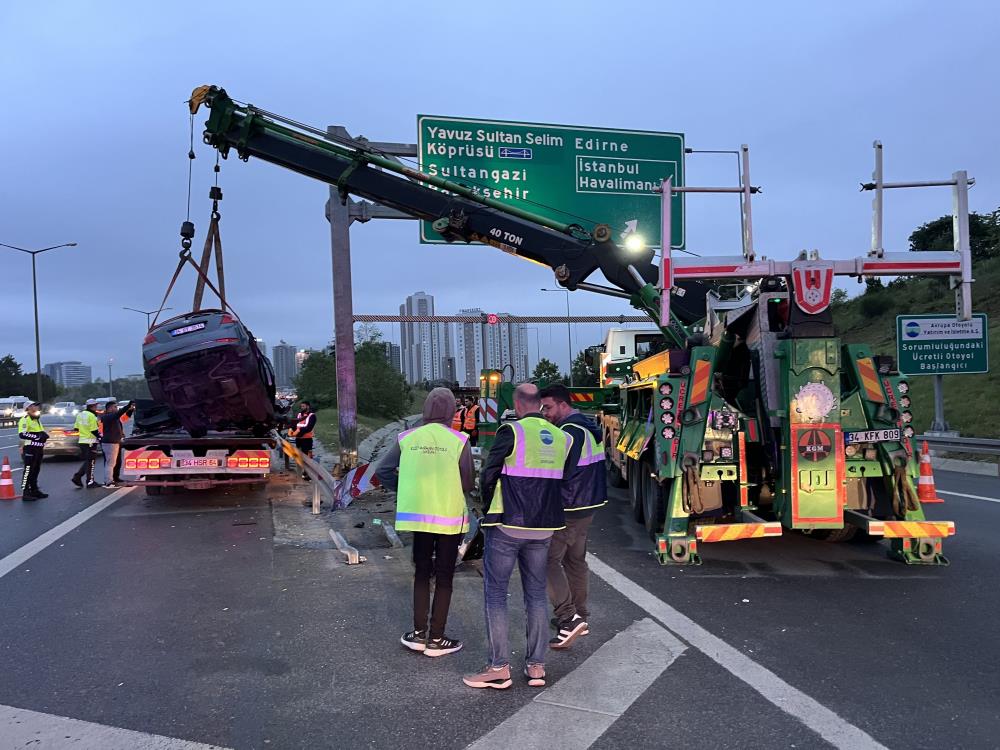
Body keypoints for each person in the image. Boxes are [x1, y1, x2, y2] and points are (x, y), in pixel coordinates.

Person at [463, 384, 571, 691]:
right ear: (539, 404)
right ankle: (536, 666)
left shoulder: (511, 432)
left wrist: (485, 509)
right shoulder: (561, 437)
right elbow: (564, 479)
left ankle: (498, 667)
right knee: (536, 594)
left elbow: (488, 474)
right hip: (545, 527)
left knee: (496, 593)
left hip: (508, 525)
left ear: (516, 404)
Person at [375, 387, 474, 658]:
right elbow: (468, 483)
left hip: (418, 517)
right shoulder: (459, 440)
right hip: (449, 517)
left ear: (426, 409)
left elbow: (382, 471)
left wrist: (406, 487)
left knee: (421, 573)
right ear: (452, 411)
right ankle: (437, 638)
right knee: (444, 576)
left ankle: (418, 635)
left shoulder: (407, 438)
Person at [539, 384, 608, 649]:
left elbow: (556, 471)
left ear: (563, 405)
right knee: (575, 561)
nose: (545, 413)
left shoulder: (567, 433)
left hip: (568, 507)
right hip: (588, 506)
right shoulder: (588, 427)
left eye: (548, 407)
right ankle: (582, 616)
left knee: (547, 561)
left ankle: (568, 617)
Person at [99, 399, 135, 488]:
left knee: (116, 462)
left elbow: (125, 417)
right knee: (110, 464)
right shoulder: (108, 416)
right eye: (115, 407)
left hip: (115, 442)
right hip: (110, 442)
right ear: (110, 408)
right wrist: (128, 406)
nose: (117, 408)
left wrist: (131, 409)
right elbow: (119, 413)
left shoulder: (114, 417)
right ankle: (109, 481)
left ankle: (115, 478)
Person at [17, 402, 48, 499]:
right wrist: (37, 437)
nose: (36, 407)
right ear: (28, 408)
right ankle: (25, 492)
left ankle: (34, 490)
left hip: (39, 448)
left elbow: (40, 432)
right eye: (34, 405)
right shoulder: (25, 419)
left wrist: (44, 435)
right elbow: (22, 434)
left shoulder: (37, 419)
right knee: (28, 470)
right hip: (30, 448)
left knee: (36, 470)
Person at [71, 399, 102, 488]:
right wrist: (100, 438)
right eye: (95, 405)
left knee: (88, 461)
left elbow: (76, 428)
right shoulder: (92, 416)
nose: (96, 407)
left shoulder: (80, 415)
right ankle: (89, 481)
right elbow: (94, 430)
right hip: (91, 441)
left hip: (82, 441)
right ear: (92, 406)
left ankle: (78, 477)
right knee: (91, 462)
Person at [288, 401, 317, 480]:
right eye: (301, 406)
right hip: (299, 439)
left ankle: (308, 473)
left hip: (307, 439)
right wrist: (291, 428)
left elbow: (309, 428)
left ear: (308, 406)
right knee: (299, 456)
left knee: (307, 457)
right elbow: (296, 424)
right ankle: (301, 473)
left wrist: (298, 432)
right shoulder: (299, 415)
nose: (302, 408)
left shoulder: (312, 416)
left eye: (303, 406)